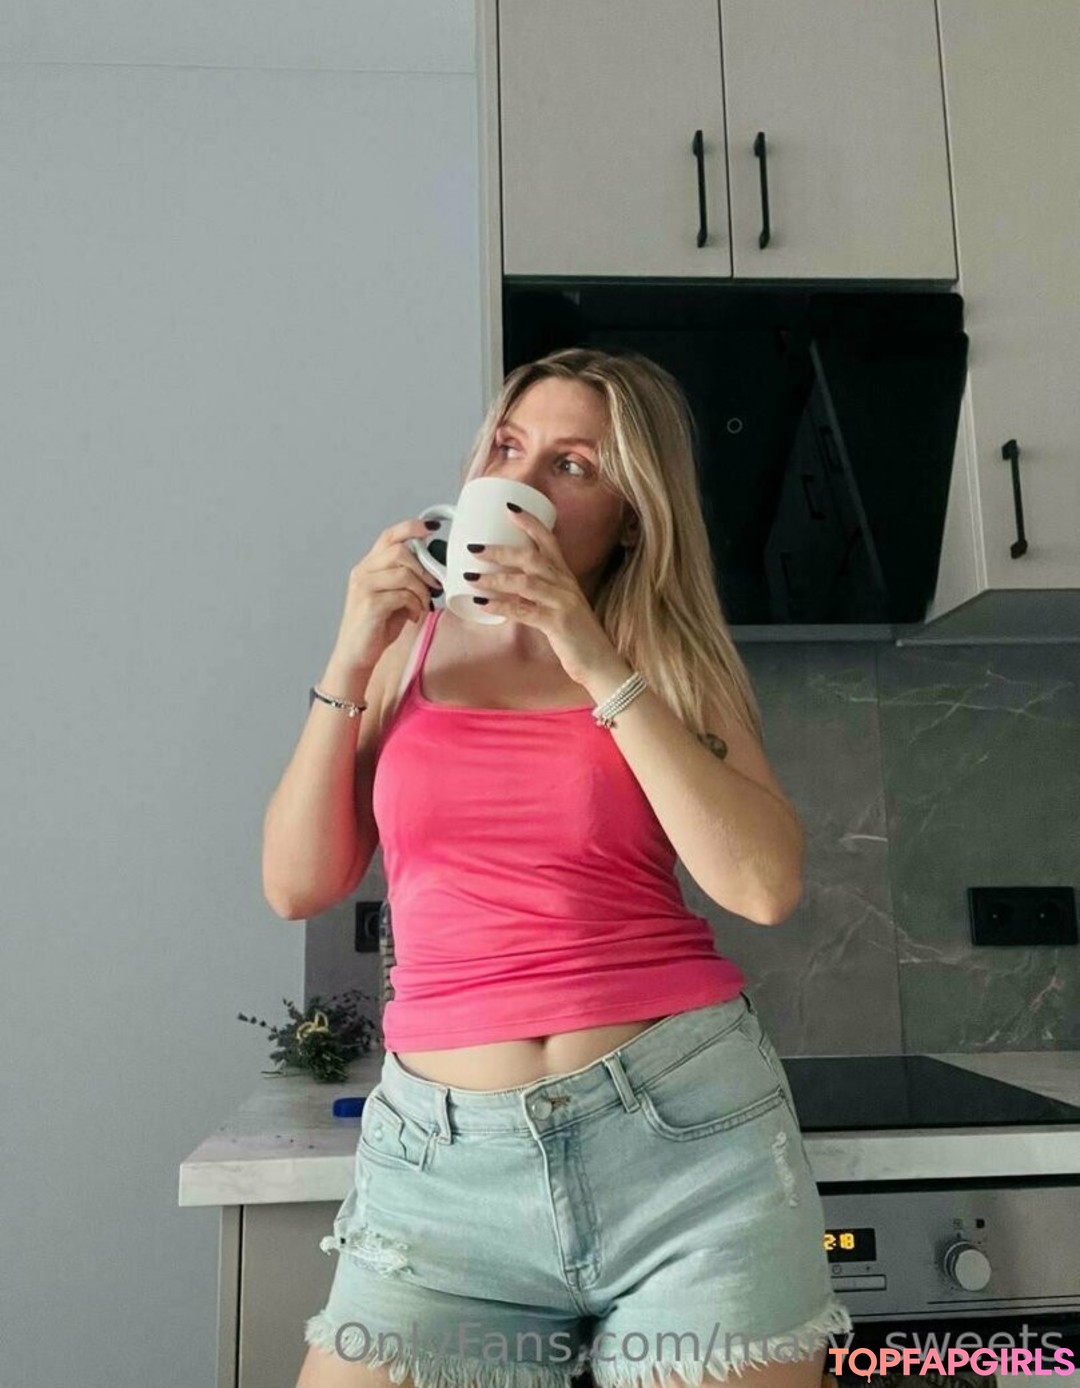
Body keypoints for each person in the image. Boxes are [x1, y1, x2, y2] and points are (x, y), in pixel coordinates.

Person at [262, 348, 853, 1388]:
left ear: (630, 516)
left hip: (686, 1147)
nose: (523, 481)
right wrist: (350, 652)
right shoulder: (405, 650)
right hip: (442, 1173)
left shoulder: (667, 660)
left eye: (573, 464)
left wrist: (591, 654)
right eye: (508, 447)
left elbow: (762, 885)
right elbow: (296, 884)